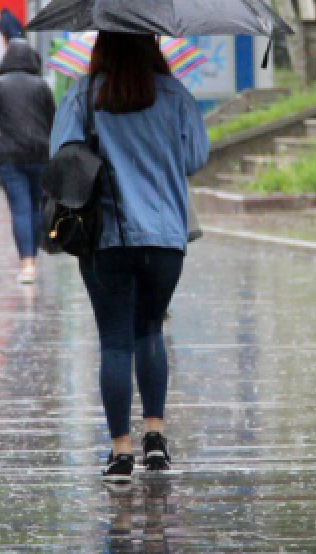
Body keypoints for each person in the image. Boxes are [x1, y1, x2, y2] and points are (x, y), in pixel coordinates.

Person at [48, 31, 209, 483]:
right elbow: (195, 157)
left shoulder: (83, 93)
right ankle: (155, 440)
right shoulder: (175, 93)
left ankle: (120, 452)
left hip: (106, 236)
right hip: (164, 237)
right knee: (150, 331)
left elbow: (59, 159)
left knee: (115, 340)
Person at [0, 38, 56, 284]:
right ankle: (34, 256)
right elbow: (53, 121)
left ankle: (27, 264)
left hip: (8, 156)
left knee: (20, 208)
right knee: (37, 207)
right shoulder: (41, 86)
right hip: (40, 154)